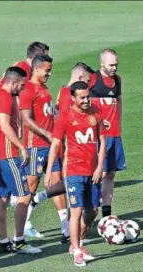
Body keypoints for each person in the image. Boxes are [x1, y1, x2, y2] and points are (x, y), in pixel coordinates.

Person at [30, 62, 95, 243]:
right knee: (72, 191)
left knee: (69, 188)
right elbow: (66, 125)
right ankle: (73, 239)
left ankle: (68, 230)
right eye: (88, 81)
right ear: (80, 78)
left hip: (71, 148)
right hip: (69, 151)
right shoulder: (69, 96)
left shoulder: (62, 91)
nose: (89, 85)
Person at [0, 42, 49, 210]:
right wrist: (19, 122)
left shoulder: (20, 65)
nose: (46, 61)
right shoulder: (24, 69)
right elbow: (16, 96)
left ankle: (5, 193)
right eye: (44, 56)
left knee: (1, 151)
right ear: (35, 57)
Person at [44, 81, 106, 267]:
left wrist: (100, 166)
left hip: (92, 171)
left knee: (92, 211)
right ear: (73, 98)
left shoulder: (96, 112)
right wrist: (49, 171)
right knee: (76, 212)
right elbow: (56, 145)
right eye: (82, 97)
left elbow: (102, 142)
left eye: (88, 96)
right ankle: (77, 250)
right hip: (74, 171)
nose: (86, 100)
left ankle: (76, 244)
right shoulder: (64, 117)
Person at [0, 66, 41, 254]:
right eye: (21, 84)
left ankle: (3, 242)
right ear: (12, 82)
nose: (23, 88)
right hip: (7, 154)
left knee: (1, 198)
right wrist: (21, 146)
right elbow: (4, 125)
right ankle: (19, 241)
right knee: (24, 196)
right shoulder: (4, 96)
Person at [19, 54, 68, 239]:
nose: (49, 73)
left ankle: (65, 228)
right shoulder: (28, 90)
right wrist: (46, 133)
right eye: (47, 70)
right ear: (37, 68)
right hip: (35, 147)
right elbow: (26, 118)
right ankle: (21, 229)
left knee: (57, 184)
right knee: (30, 188)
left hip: (50, 146)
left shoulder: (43, 88)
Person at [88, 49, 125, 218]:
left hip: (114, 135)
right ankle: (90, 210)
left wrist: (120, 122)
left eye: (116, 64)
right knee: (98, 174)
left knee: (110, 174)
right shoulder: (92, 79)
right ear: (101, 63)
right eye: (111, 65)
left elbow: (119, 100)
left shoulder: (117, 80)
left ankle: (106, 214)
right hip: (98, 137)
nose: (114, 68)